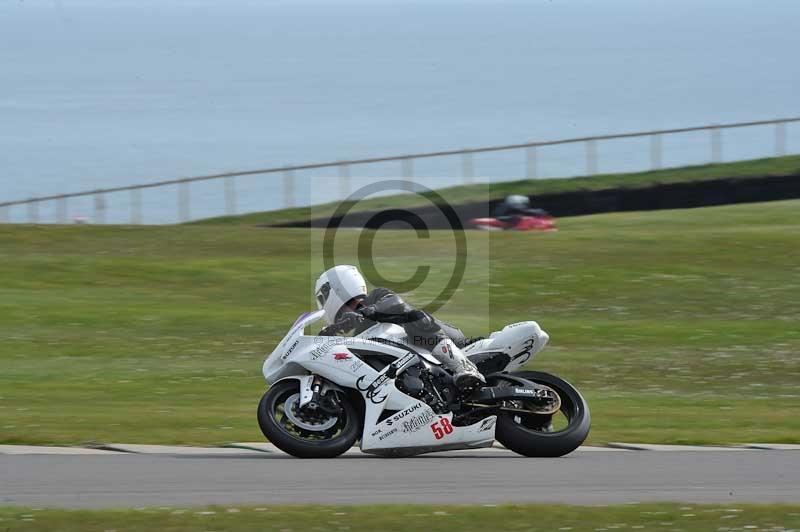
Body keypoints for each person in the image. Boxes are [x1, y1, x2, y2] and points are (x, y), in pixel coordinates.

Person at [314, 265, 485, 392]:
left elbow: (395, 304)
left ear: (335, 290)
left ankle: (464, 367)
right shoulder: (360, 334)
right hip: (422, 368)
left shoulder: (376, 297)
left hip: (451, 343)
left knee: (413, 317)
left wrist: (365, 312)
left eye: (323, 298)